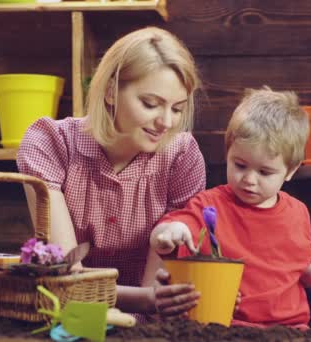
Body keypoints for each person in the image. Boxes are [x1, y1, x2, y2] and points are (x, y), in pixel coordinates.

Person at [16, 27, 204, 317]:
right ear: (110, 91)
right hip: (70, 314)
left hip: (147, 323)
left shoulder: (182, 155)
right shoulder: (50, 143)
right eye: (150, 104)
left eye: (177, 109)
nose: (166, 122)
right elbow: (68, 277)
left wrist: (146, 309)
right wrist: (145, 300)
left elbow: (157, 291)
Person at [149, 86, 311, 329]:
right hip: (225, 327)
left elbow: (299, 270)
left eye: (264, 172)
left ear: (291, 170)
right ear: (227, 153)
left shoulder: (298, 212)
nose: (249, 179)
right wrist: (169, 232)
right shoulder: (210, 205)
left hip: (290, 329)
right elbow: (165, 232)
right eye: (240, 165)